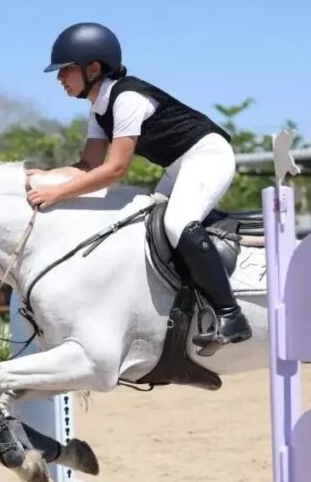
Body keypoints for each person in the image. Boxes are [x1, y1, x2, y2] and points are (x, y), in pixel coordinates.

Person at [25, 22, 250, 354]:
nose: (59, 77)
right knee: (147, 225)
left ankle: (231, 315)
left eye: (66, 69)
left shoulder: (127, 98)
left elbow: (114, 170)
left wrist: (57, 193)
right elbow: (86, 166)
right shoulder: (98, 109)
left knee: (177, 223)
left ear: (93, 69)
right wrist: (42, 176)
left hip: (208, 155)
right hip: (180, 165)